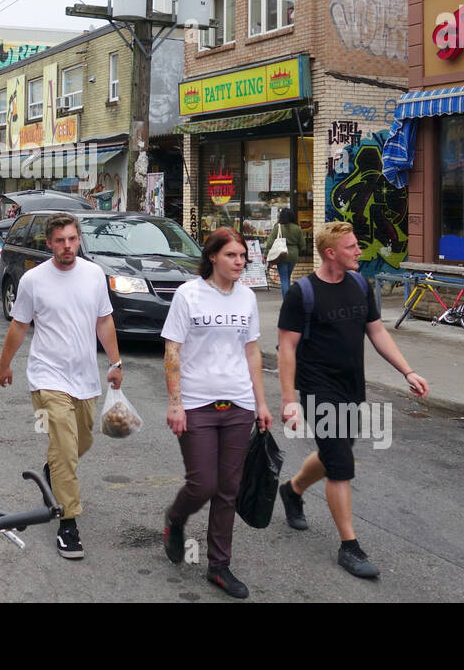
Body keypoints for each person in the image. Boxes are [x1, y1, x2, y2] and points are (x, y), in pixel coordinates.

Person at [275, 221, 430, 579]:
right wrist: (288, 400)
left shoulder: (361, 284)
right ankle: (350, 546)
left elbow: (377, 333)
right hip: (318, 389)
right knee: (341, 464)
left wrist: (408, 371)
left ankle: (293, 490)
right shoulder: (303, 293)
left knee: (335, 453)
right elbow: (287, 349)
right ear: (331, 253)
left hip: (351, 386)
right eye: (352, 247)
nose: (359, 251)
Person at [0, 212, 121, 560]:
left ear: (79, 240)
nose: (67, 246)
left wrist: (116, 362)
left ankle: (53, 471)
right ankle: (68, 525)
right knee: (65, 449)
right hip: (47, 377)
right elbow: (19, 326)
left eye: (72, 239)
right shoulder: (34, 280)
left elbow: (104, 320)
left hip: (85, 378)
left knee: (81, 442)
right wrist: (5, 364)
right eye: (60, 240)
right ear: (49, 244)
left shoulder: (94, 274)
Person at [161, 228, 273, 599]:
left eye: (243, 256)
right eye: (232, 255)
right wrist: (175, 403)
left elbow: (252, 352)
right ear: (212, 257)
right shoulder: (188, 295)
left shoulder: (247, 298)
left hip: (238, 403)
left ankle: (219, 566)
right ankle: (175, 519)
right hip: (196, 404)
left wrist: (261, 403)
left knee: (228, 489)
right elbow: (172, 351)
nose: (240, 262)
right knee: (203, 484)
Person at [263, 207, 304, 298]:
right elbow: (302, 244)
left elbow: (270, 242)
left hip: (281, 254)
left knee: (284, 279)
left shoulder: (278, 227)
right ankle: (289, 298)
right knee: (288, 277)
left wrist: (265, 254)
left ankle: (286, 301)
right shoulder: (297, 228)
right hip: (293, 255)